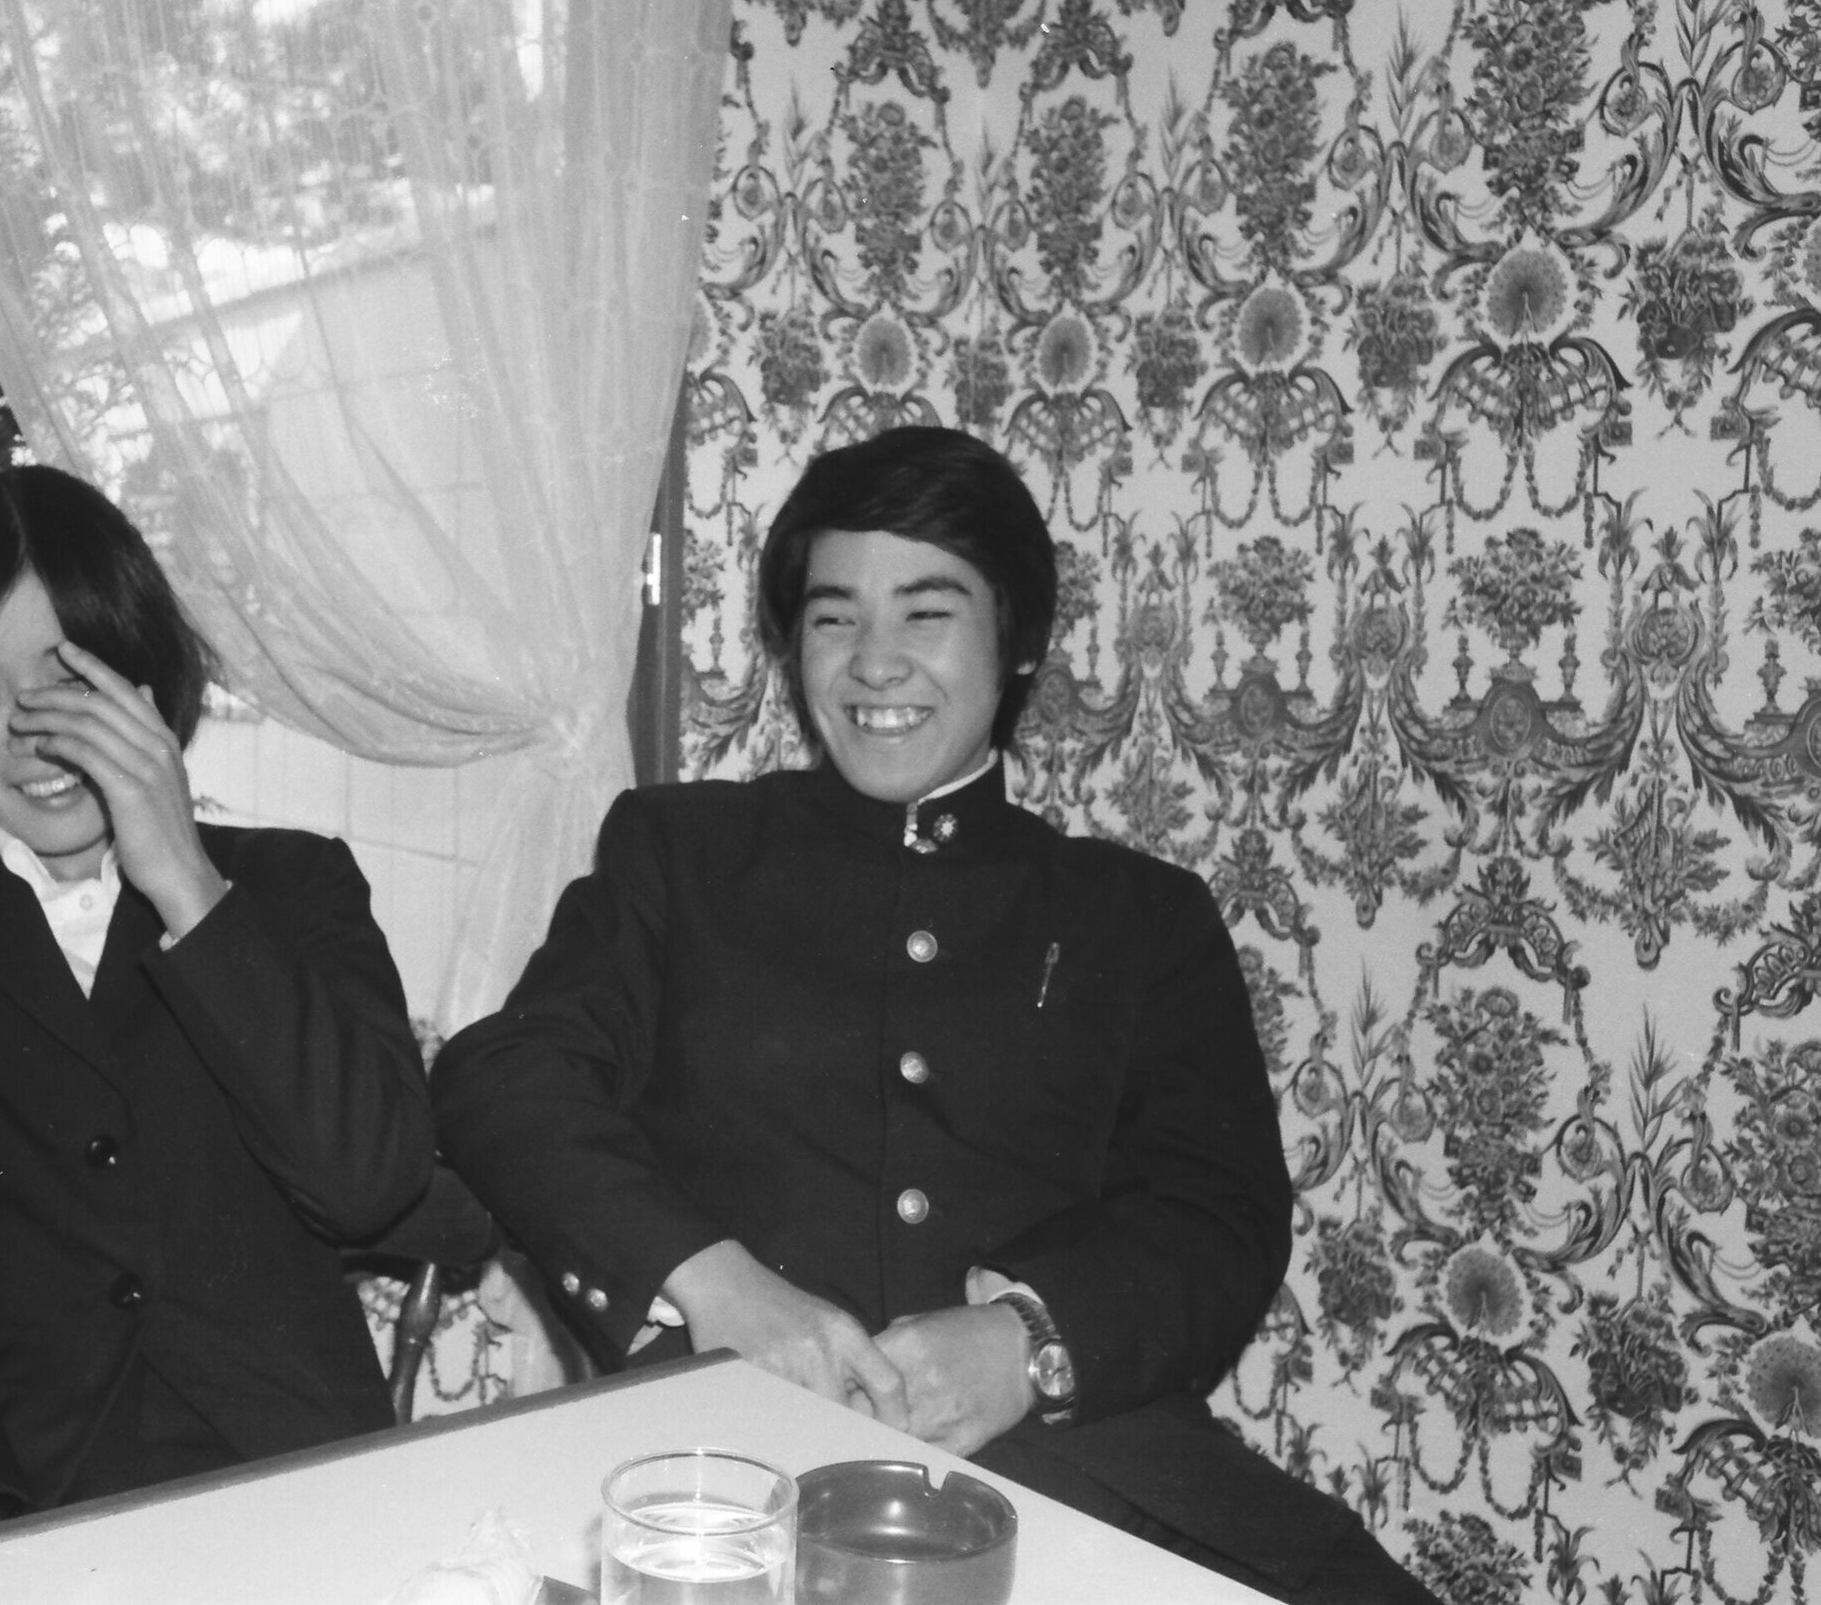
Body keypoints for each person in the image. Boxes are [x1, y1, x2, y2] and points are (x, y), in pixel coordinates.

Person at [431, 427, 1433, 1603]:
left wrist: (1028, 1339)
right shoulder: (681, 852)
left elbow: (1219, 1214)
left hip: (1078, 1469)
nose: (874, 661)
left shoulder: (1136, 915)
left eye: (926, 612)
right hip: (717, 1467)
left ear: (1016, 640)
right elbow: (506, 1078)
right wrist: (717, 1285)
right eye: (834, 616)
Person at [0, 464, 436, 1568]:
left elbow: (371, 1179)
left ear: (146, 674)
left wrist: (187, 883)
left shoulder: (293, 887)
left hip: (282, 1497)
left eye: (70, 682)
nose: (34, 739)